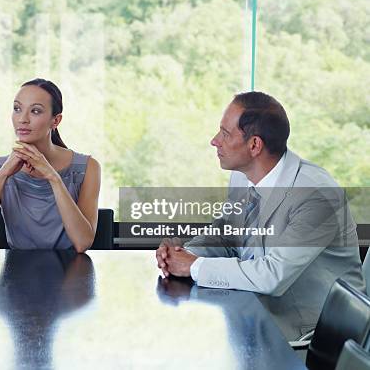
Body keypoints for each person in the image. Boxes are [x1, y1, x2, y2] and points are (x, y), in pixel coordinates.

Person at [155, 91, 364, 337]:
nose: (214, 141)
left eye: (225, 133)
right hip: (255, 317)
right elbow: (226, 235)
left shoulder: (316, 194)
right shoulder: (243, 177)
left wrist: (195, 267)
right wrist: (184, 254)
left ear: (254, 145)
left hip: (312, 337)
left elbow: (272, 275)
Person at [0, 78, 101, 252]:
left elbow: (82, 243)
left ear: (56, 121)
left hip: (70, 274)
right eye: (17, 109)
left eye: (35, 111)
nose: (22, 119)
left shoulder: (88, 167)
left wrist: (53, 177)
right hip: (16, 275)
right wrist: (1, 178)